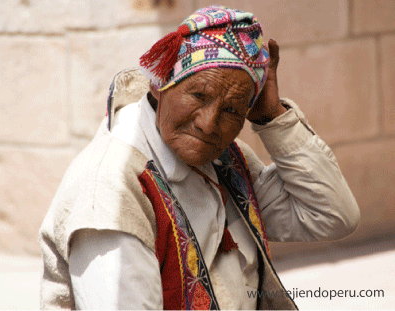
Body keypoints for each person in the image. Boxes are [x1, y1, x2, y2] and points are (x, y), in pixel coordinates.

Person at [39, 5, 360, 310]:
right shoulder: (111, 188)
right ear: (160, 84)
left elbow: (331, 216)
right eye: (198, 95)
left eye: (232, 109)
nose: (208, 123)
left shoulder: (227, 161)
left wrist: (273, 117)